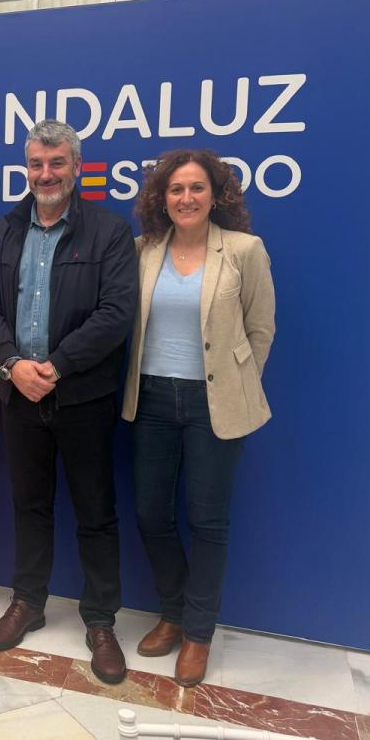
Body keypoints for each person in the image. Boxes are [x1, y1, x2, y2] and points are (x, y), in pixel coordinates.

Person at [0, 119, 137, 684]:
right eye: (37, 164)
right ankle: (29, 602)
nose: (47, 174)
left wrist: (57, 366)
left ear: (76, 166)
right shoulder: (6, 229)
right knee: (29, 505)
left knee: (95, 512)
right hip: (21, 395)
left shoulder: (110, 231)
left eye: (57, 163)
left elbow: (116, 314)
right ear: (27, 169)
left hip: (83, 395)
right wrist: (13, 366)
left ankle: (100, 621)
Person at [122, 148, 275, 687]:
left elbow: (261, 329)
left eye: (196, 188)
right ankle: (173, 610)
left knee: (208, 521)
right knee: (149, 514)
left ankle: (198, 633)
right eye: (176, 190)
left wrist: (234, 383)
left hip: (217, 404)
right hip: (154, 401)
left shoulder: (243, 250)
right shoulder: (143, 250)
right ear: (161, 199)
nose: (186, 198)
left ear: (216, 195)